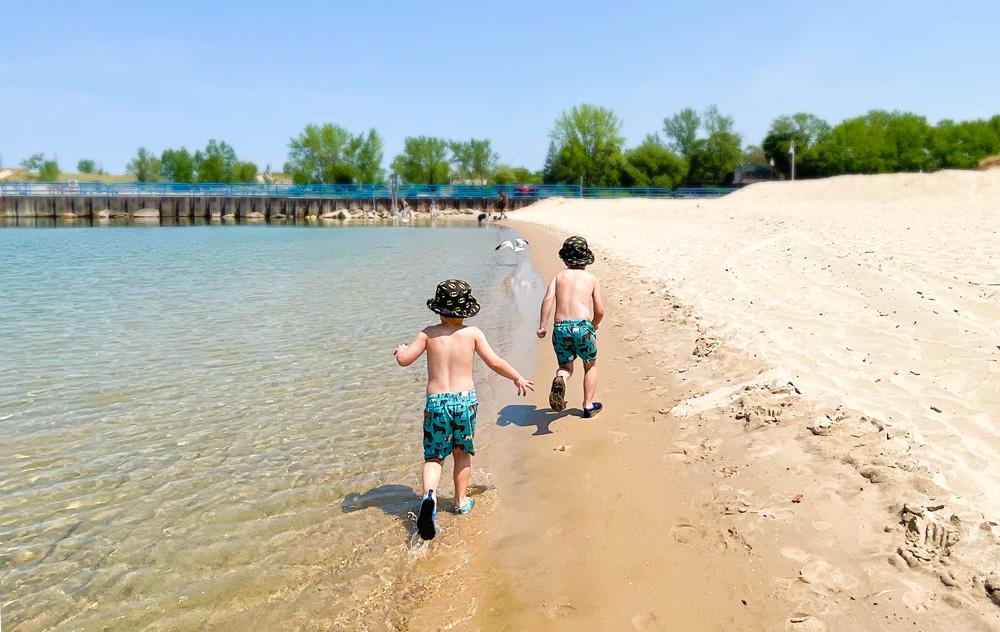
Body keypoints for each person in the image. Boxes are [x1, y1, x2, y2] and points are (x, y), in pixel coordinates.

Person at [395, 279, 534, 540]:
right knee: (461, 454)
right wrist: (517, 377)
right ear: (466, 309)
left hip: (437, 403)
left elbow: (404, 360)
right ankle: (460, 502)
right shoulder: (473, 333)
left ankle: (429, 497)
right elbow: (494, 362)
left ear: (438, 309)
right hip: (464, 401)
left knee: (434, 457)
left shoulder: (427, 334)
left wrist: (400, 350)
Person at [536, 236, 604, 418]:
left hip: (560, 328)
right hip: (582, 327)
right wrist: (595, 324)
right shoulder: (591, 278)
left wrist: (542, 325)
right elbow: (599, 309)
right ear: (586, 259)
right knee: (590, 365)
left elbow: (548, 299)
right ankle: (588, 405)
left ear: (565, 259)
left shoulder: (559, 277)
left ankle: (561, 379)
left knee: (565, 366)